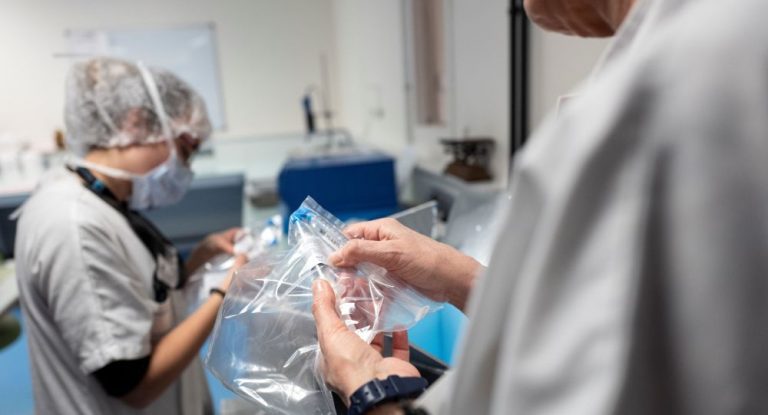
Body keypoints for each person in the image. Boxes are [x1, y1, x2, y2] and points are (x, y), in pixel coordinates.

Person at [312, 0, 768, 413]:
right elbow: (603, 330)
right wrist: (457, 276)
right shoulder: (725, 42)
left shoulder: (663, 104)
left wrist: (367, 390)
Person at [15, 57, 244, 415]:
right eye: (184, 151)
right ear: (135, 122)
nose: (185, 169)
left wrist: (197, 259)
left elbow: (136, 295)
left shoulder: (105, 201)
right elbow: (133, 384)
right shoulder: (74, 224)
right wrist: (224, 293)